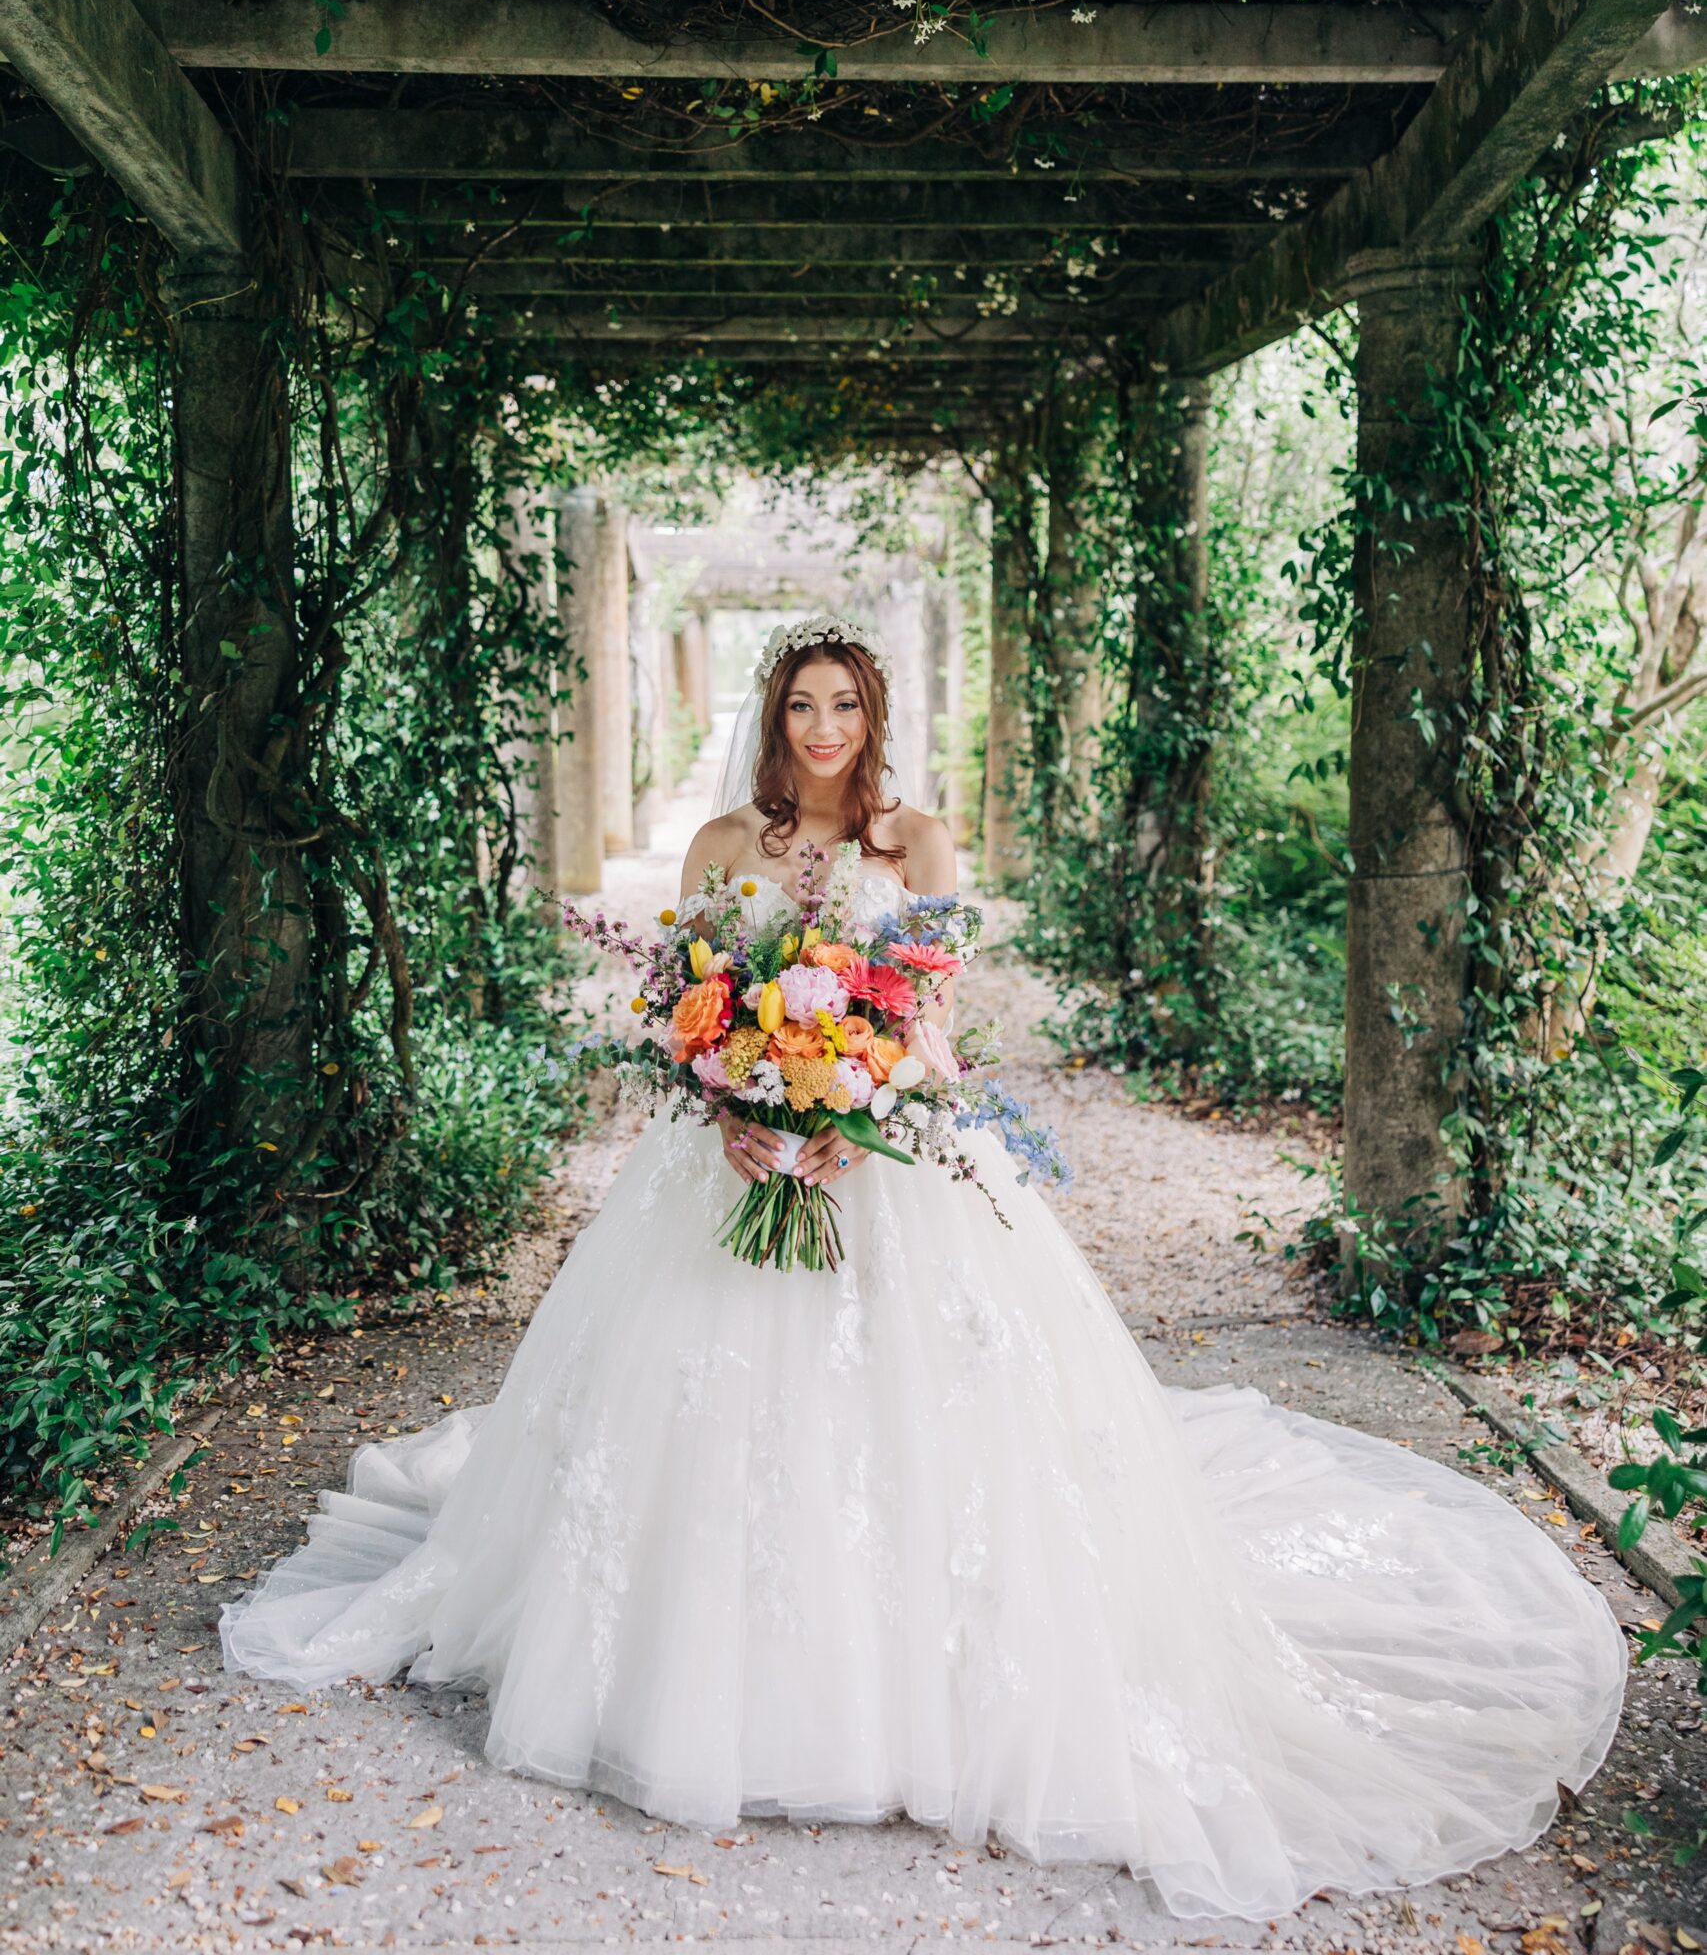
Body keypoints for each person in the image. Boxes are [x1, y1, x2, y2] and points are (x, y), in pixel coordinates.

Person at [221, 609, 1626, 1923]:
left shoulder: (920, 844)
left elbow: (940, 1025)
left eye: (845, 704)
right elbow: (684, 1011)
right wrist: (736, 1109)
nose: (823, 725)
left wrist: (864, 1117)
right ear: (771, 717)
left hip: (891, 1170)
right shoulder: (722, 843)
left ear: (874, 716)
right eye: (801, 703)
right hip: (736, 1167)